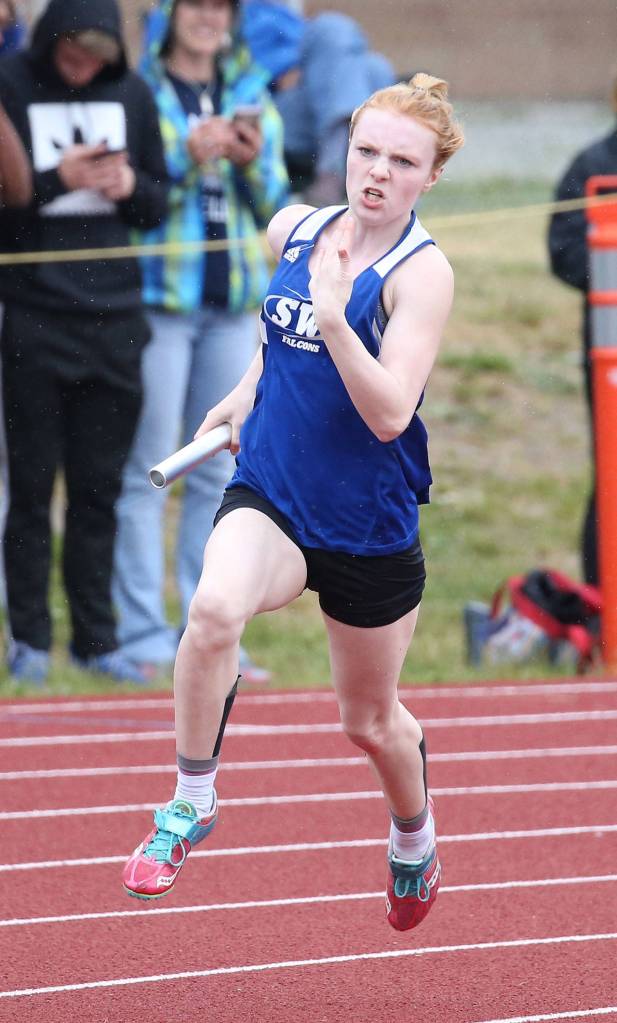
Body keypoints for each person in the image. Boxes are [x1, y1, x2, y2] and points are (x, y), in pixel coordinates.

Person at [122, 72, 464, 932]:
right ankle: (191, 798)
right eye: (365, 152)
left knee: (368, 722)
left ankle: (413, 836)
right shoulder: (295, 228)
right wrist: (246, 389)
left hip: (367, 523)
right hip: (273, 489)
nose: (377, 173)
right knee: (210, 609)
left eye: (401, 161)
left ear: (429, 176)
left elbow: (389, 413)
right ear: (343, 152)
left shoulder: (421, 276)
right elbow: (280, 334)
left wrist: (337, 317)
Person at [112, 0, 289, 684]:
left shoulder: (250, 90)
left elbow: (277, 200)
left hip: (233, 304)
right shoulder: (144, 90)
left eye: (220, 6)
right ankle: (143, 633)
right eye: (196, 4)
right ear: (170, 13)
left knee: (219, 470)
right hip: (160, 303)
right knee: (150, 468)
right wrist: (186, 160)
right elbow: (137, 198)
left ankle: (208, 630)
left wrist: (244, 163)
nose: (208, 17)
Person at [0, 0, 168, 685]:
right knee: (33, 490)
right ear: (49, 37)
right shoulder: (10, 84)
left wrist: (129, 184)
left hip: (116, 319)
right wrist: (55, 181)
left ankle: (98, 639)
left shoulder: (132, 92)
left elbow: (158, 204)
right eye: (72, 50)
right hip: (34, 317)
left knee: (101, 490)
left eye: (96, 54)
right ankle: (30, 640)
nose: (83, 65)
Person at [547, 73, 617, 587]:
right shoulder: (594, 165)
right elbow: (564, 250)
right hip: (610, 354)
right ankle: (604, 607)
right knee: (613, 478)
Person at [240, 1, 395, 204]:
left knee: (375, 68)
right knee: (331, 27)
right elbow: (235, 63)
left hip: (318, 100)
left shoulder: (281, 11)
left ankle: (344, 165)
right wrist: (280, 70)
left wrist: (314, 69)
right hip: (269, 107)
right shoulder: (229, 9)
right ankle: (337, 171)